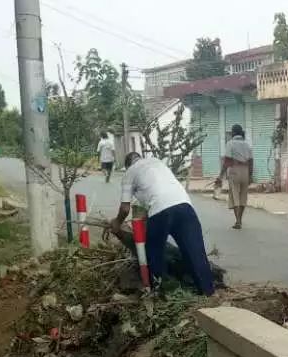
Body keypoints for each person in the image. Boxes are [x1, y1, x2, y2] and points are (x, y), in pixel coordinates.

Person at [109, 152, 214, 293]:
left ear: (128, 164)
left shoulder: (129, 173)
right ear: (140, 158)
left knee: (154, 254)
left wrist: (116, 223)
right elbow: (157, 190)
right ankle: (208, 292)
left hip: (160, 212)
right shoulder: (157, 162)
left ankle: (162, 293)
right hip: (185, 206)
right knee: (196, 253)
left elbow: (125, 208)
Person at [214, 124, 254, 230]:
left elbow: (227, 161)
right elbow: (251, 161)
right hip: (245, 171)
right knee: (243, 196)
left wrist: (220, 176)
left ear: (233, 133)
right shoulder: (247, 145)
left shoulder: (230, 143)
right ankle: (240, 219)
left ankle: (238, 221)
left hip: (234, 170)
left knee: (235, 195)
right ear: (241, 133)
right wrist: (250, 175)